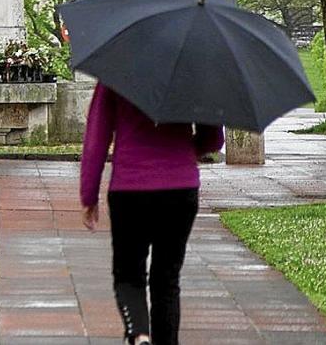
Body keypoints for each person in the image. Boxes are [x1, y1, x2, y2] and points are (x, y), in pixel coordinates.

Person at [80, 82, 224, 345]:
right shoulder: (192, 73)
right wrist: (183, 152)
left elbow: (96, 136)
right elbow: (214, 139)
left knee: (129, 274)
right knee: (167, 280)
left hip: (130, 188)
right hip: (180, 189)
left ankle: (138, 334)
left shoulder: (116, 71)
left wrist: (89, 195)